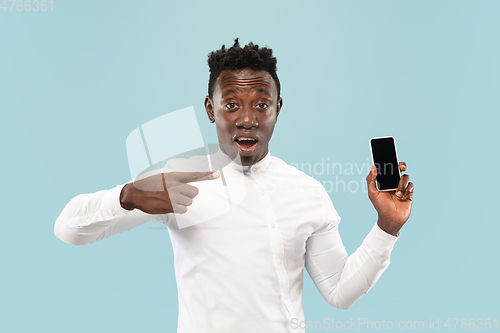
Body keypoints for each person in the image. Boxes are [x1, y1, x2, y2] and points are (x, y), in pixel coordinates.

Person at [54, 38, 414, 333]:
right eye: (231, 104)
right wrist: (127, 196)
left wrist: (388, 227)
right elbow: (68, 229)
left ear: (277, 107)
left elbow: (340, 291)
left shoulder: (307, 191)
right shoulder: (176, 179)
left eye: (261, 104)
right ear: (211, 109)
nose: (246, 119)